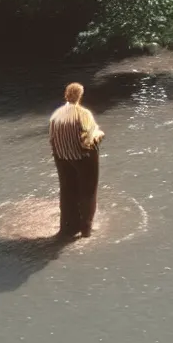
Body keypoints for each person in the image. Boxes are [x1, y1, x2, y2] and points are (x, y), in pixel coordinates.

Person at [49, 82, 104, 238]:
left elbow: (52, 139)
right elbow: (88, 137)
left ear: (66, 95)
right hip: (82, 156)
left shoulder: (56, 115)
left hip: (61, 156)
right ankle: (86, 228)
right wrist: (100, 134)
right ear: (80, 96)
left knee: (67, 190)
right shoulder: (83, 113)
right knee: (88, 191)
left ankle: (68, 227)